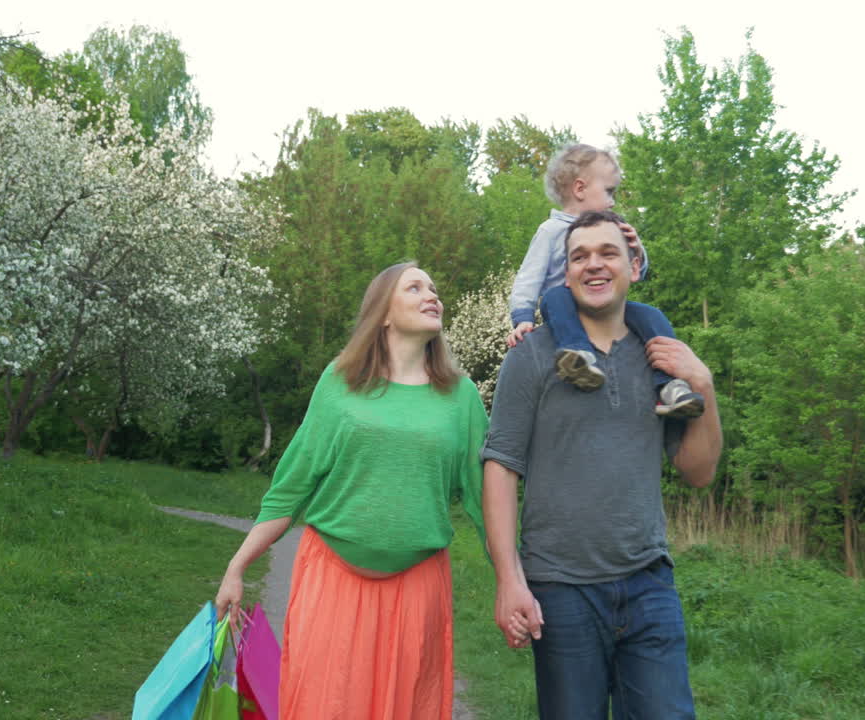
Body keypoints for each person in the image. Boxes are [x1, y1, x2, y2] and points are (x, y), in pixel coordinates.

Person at [214, 262, 488, 720]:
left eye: (434, 289)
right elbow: (292, 487)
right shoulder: (340, 383)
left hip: (417, 589)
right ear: (382, 312)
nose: (432, 295)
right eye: (415, 287)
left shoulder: (461, 397)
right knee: (326, 704)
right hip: (333, 579)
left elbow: (487, 501)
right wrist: (237, 567)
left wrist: (516, 582)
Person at [483, 210, 723, 719]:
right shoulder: (531, 356)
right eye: (580, 256)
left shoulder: (664, 360)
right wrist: (510, 581)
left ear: (634, 266)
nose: (594, 265)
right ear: (566, 273)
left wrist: (703, 386)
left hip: (649, 582)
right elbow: (501, 467)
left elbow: (699, 473)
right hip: (560, 590)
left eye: (608, 253)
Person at [507, 143, 704, 417]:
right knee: (555, 297)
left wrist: (637, 247)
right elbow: (529, 277)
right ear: (580, 189)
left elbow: (638, 273)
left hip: (606, 306)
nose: (613, 201)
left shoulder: (615, 229)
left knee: (651, 315)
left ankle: (668, 385)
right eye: (609, 192)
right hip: (564, 305)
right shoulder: (551, 230)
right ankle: (577, 357)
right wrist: (522, 317)